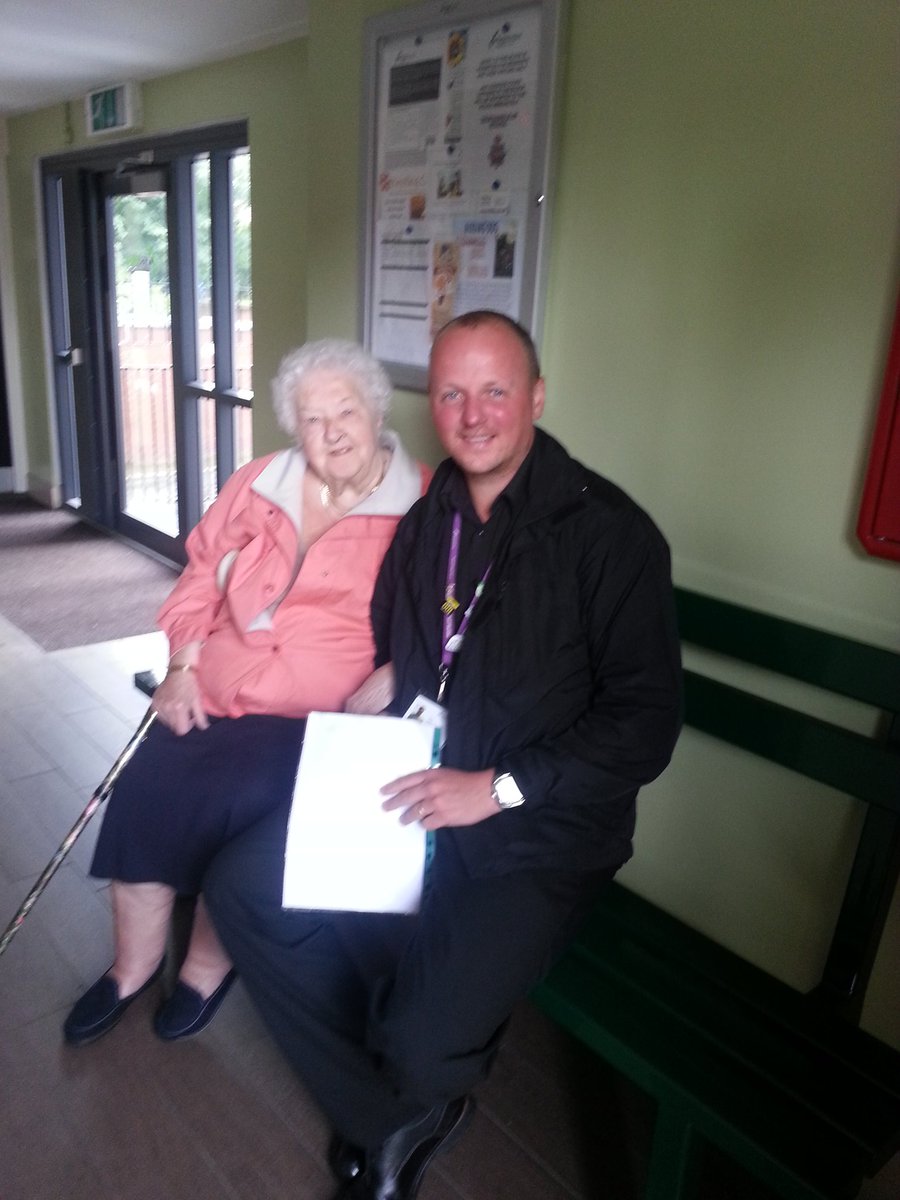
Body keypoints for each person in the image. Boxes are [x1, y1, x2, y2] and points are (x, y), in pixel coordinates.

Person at [204, 311, 683, 1200]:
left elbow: (645, 723)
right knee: (241, 888)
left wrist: (495, 788)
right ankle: (396, 1114)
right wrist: (389, 675)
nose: (472, 413)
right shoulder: (434, 517)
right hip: (412, 782)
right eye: (454, 392)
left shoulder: (610, 537)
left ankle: (411, 1073)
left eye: (495, 390)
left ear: (536, 397)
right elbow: (406, 631)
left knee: (418, 1032)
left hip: (538, 832)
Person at [63, 338, 429, 1048]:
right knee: (146, 790)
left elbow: (456, 618)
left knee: (247, 810)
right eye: (313, 419)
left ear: (376, 410)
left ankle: (204, 967)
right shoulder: (262, 481)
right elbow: (201, 573)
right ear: (295, 428)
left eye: (345, 411)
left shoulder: (420, 502)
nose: (332, 433)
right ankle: (131, 968)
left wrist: (402, 672)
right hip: (218, 689)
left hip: (322, 715)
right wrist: (180, 665)